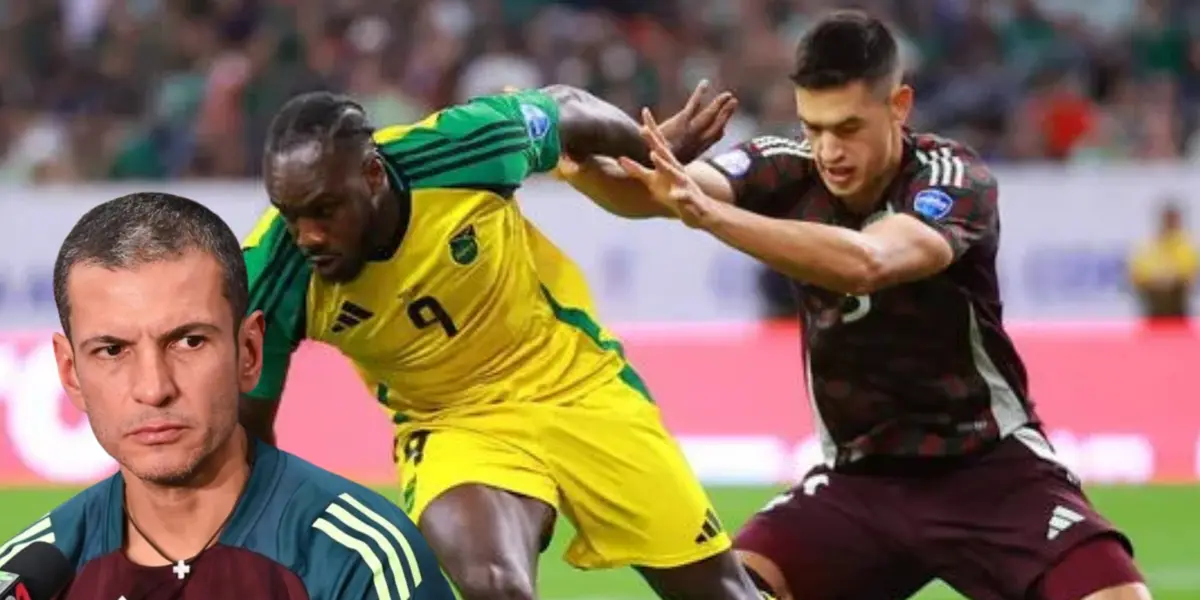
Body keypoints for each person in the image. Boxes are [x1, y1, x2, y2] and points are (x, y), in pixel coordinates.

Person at [560, 10, 1152, 600]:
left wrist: (709, 214)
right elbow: (650, 195)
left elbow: (871, 263)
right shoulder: (785, 165)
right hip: (856, 483)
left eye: (847, 128)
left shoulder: (952, 177)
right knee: (727, 594)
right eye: (812, 128)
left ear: (899, 106)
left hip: (989, 469)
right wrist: (576, 156)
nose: (827, 150)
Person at [240, 83, 761, 600]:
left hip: (577, 384)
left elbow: (567, 109)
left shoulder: (464, 147)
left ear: (373, 175)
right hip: (452, 424)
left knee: (723, 594)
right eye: (290, 214)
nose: (307, 235)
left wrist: (649, 152)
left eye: (325, 210)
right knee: (495, 588)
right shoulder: (272, 277)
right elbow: (249, 435)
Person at [0, 192, 455, 600]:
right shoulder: (28, 582)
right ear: (70, 372)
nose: (154, 388)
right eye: (112, 350)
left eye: (189, 341)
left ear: (250, 351)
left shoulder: (361, 560)